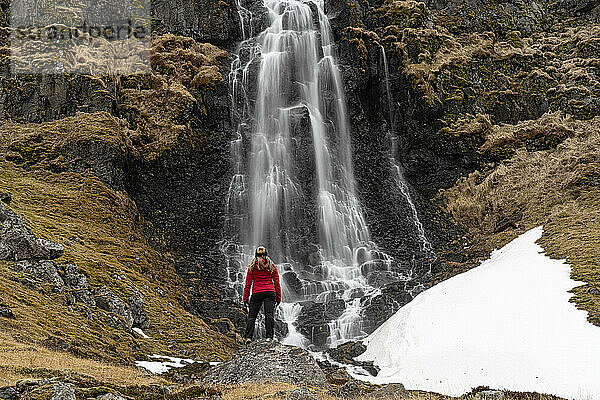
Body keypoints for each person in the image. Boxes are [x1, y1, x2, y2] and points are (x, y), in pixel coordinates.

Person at [242, 246, 281, 341]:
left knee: (252, 316)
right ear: (266, 254)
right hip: (270, 292)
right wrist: (278, 297)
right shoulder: (271, 266)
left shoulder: (252, 267)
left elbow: (248, 284)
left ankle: (248, 338)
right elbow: (276, 282)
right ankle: (269, 337)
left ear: (256, 254)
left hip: (257, 292)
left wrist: (245, 298)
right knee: (269, 315)